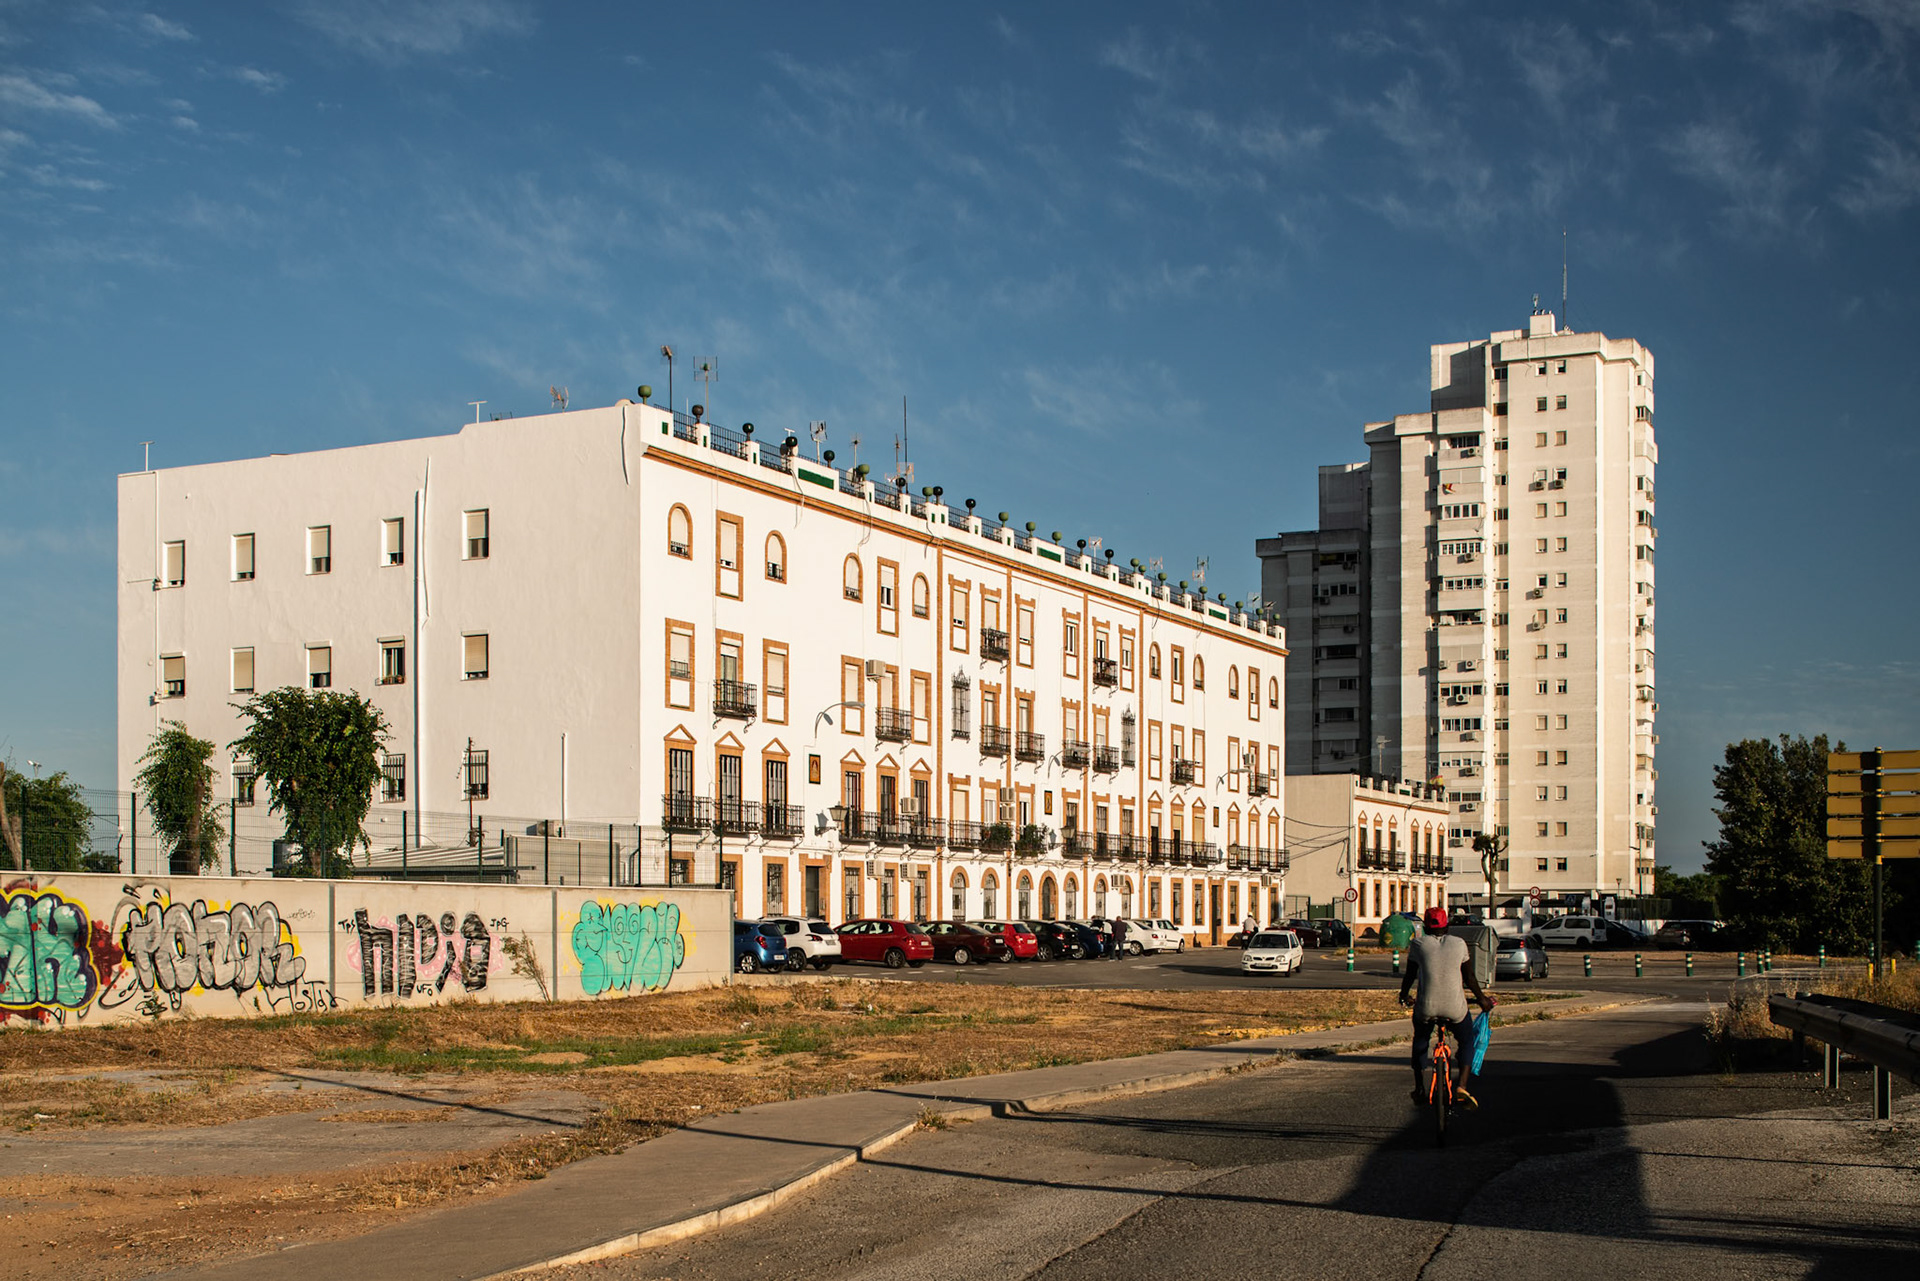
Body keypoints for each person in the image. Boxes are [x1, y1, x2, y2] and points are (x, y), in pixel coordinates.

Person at [1398, 906, 1495, 1110]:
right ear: (1447, 926)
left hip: (1426, 1008)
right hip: (1455, 1009)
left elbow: (1409, 976)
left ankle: (1419, 1088)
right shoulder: (1459, 944)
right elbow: (1469, 977)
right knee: (1467, 1040)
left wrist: (1403, 995)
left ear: (1425, 926)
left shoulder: (1417, 944)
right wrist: (1482, 999)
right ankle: (1462, 1086)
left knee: (1421, 1040)